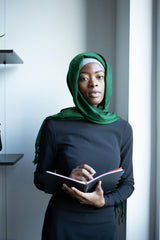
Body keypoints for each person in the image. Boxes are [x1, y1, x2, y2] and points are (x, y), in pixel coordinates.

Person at [33, 52, 134, 240]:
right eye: (83, 78)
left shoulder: (122, 128)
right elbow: (39, 179)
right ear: (74, 84)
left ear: (106, 82)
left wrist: (104, 201)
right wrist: (66, 180)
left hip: (103, 224)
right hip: (63, 224)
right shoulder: (55, 125)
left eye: (99, 77)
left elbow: (128, 184)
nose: (93, 83)